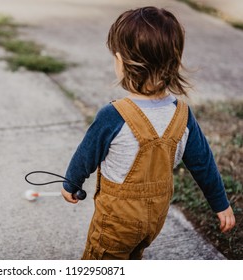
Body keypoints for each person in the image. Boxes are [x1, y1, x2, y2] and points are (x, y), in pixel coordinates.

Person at [61, 6, 236, 260]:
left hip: (117, 222)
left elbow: (86, 155)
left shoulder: (113, 115)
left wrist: (71, 183)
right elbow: (203, 164)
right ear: (173, 63)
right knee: (134, 255)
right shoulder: (183, 116)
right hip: (154, 219)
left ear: (121, 63)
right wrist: (221, 204)